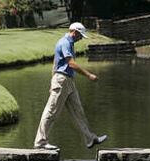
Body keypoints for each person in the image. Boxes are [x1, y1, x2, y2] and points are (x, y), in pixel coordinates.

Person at [34, 22, 107, 150]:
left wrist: (52, 81)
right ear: (75, 31)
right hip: (62, 80)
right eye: (80, 35)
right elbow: (71, 64)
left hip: (68, 81)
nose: (80, 38)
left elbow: (55, 63)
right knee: (51, 112)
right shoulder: (65, 43)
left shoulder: (70, 43)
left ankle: (90, 139)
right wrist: (88, 75)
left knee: (78, 111)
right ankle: (40, 142)